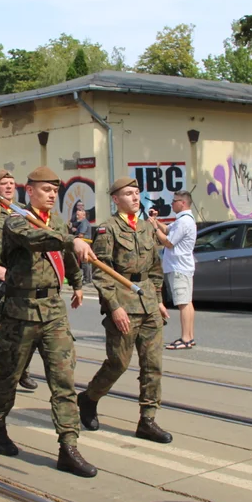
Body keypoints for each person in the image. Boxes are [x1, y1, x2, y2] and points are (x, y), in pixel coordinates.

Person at [0, 166, 98, 478]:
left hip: (53, 312)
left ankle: (68, 447)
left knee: (64, 380)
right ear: (30, 190)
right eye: (46, 190)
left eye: (54, 191)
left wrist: (76, 282)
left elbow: (70, 256)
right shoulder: (16, 220)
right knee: (8, 377)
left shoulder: (58, 223)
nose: (51, 195)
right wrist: (70, 240)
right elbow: (37, 240)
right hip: (20, 312)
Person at [79, 177, 172, 443]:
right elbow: (101, 272)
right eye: (129, 194)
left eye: (137, 193)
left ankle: (148, 420)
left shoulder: (146, 228)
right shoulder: (108, 229)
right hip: (123, 302)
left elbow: (154, 268)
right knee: (118, 363)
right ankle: (89, 398)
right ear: (116, 199)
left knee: (152, 364)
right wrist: (114, 307)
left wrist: (158, 300)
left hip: (148, 304)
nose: (135, 197)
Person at [0, 169, 38, 393]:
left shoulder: (24, 213)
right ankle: (1, 372)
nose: (8, 187)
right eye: (3, 183)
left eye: (12, 183)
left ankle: (21, 369)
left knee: (25, 328)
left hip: (20, 281)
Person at [151, 191, 196, 349]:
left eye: (174, 201)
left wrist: (154, 229)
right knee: (187, 303)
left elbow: (168, 242)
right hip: (183, 266)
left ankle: (185, 338)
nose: (172, 204)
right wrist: (156, 222)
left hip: (179, 267)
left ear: (182, 203)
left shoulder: (184, 222)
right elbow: (168, 230)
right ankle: (189, 336)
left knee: (183, 303)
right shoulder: (183, 220)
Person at [69, 201, 93, 284]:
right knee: (86, 262)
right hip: (85, 243)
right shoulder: (82, 223)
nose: (76, 216)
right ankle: (88, 279)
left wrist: (75, 235)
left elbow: (81, 235)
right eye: (76, 215)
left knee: (85, 261)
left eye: (78, 215)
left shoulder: (83, 223)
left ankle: (86, 279)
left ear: (83, 215)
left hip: (84, 244)